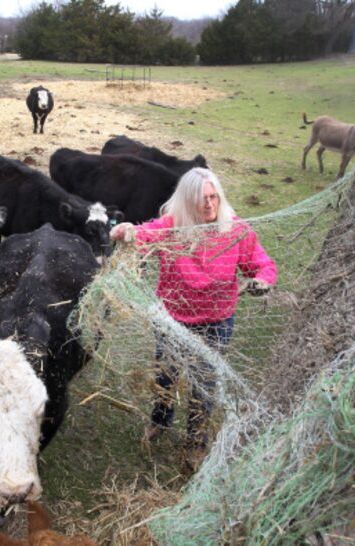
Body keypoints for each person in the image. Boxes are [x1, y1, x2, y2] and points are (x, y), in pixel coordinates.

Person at [110, 167, 277, 474]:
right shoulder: (172, 227)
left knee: (204, 382)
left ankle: (195, 442)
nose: (210, 205)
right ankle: (160, 419)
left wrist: (262, 281)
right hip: (173, 320)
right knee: (166, 374)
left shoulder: (236, 230)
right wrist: (127, 232)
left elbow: (262, 264)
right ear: (187, 201)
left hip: (216, 321)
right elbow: (145, 234)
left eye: (214, 197)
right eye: (202, 199)